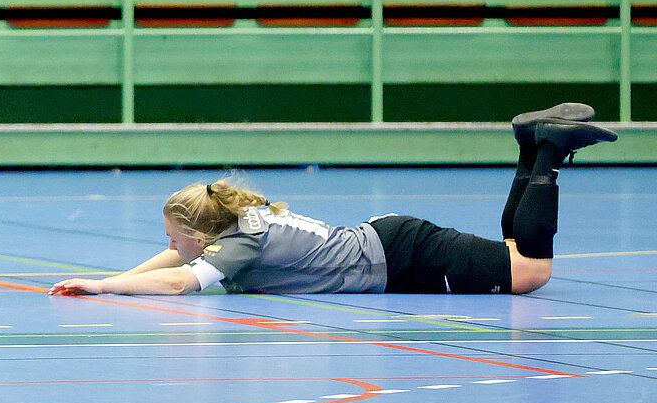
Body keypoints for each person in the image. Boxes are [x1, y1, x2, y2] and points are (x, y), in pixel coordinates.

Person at [51, 102, 616, 297]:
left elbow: (177, 280)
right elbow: (177, 260)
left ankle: (547, 154)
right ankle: (531, 145)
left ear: (203, 235)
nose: (169, 247)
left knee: (531, 270)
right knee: (514, 248)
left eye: (176, 237)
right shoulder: (233, 224)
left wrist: (103, 286)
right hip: (391, 245)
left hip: (403, 253)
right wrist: (117, 274)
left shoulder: (243, 238)